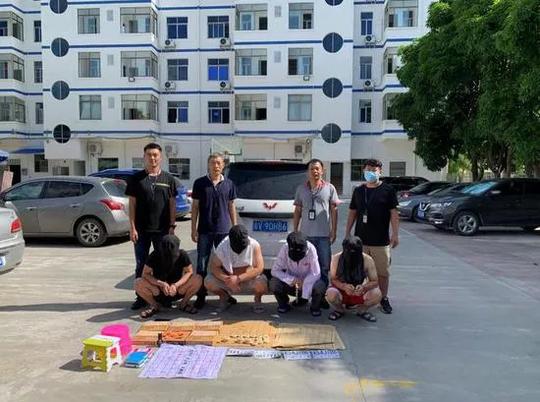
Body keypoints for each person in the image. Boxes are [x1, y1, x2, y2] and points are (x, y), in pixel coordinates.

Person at [126, 143, 178, 310]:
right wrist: (132, 227)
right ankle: (141, 297)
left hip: (162, 230)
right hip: (141, 231)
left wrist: (172, 226)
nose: (152, 158)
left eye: (155, 155)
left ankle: (165, 297)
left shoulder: (169, 179)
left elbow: (172, 204)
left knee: (163, 264)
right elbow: (132, 205)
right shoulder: (136, 179)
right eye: (149, 155)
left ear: (160, 157)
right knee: (141, 264)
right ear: (144, 157)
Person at [345, 159, 399, 314]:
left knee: (382, 273)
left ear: (380, 171)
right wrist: (348, 232)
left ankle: (383, 298)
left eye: (374, 170)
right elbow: (353, 212)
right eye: (368, 169)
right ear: (363, 171)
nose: (371, 173)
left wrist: (395, 234)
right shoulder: (358, 191)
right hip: (360, 241)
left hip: (380, 241)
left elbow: (394, 213)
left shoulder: (388, 190)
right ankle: (356, 298)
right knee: (358, 272)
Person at [191, 152, 237, 309]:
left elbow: (231, 206)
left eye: (218, 163)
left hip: (223, 230)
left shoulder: (229, 184)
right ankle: (201, 295)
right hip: (205, 230)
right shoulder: (199, 183)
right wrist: (193, 229)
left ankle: (225, 294)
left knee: (225, 264)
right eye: (213, 163)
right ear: (208, 165)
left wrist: (234, 227)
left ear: (223, 166)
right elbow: (195, 207)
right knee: (202, 264)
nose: (216, 166)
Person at [293, 159, 340, 286]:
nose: (315, 171)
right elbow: (297, 211)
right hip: (305, 236)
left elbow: (334, 211)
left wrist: (334, 230)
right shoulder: (301, 189)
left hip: (323, 236)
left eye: (317, 169)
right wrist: (295, 230)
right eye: (312, 169)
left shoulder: (330, 188)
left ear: (322, 171)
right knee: (305, 266)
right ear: (307, 172)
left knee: (324, 266)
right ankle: (305, 292)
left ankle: (322, 292)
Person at [134, 235, 203, 319]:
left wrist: (176, 285)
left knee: (198, 278)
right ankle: (154, 305)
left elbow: (189, 271)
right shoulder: (155, 254)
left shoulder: (182, 254)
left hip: (178, 289)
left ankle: (184, 304)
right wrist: (160, 283)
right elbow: (145, 274)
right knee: (138, 282)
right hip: (158, 290)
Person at [205, 225, 268, 313]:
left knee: (262, 283)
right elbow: (214, 267)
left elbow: (259, 268)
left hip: (247, 279)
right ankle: (224, 297)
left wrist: (239, 278)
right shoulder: (223, 246)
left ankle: (257, 299)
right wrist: (227, 279)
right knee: (208, 281)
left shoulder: (254, 244)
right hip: (229, 280)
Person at [325, 237, 382, 322]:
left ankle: (362, 310)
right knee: (330, 294)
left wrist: (364, 287)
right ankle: (339, 310)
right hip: (342, 290)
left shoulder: (367, 260)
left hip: (360, 290)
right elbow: (333, 279)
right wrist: (343, 286)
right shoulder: (336, 258)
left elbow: (375, 281)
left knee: (377, 294)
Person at [270, 231, 326, 317]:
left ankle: (314, 307)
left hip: (308, 283)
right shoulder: (285, 248)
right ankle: (283, 304)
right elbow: (274, 271)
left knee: (320, 285)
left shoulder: (311, 249)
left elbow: (316, 273)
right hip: (291, 284)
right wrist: (291, 279)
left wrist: (305, 284)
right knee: (274, 283)